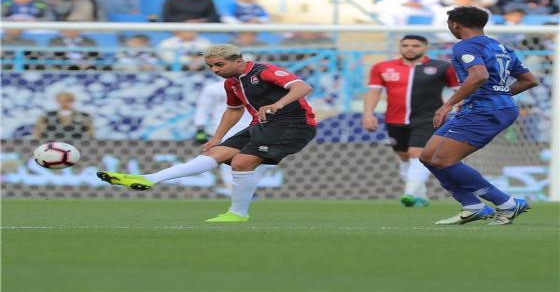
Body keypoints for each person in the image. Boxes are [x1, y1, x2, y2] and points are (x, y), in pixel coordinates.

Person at [97, 44, 316, 222]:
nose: (215, 70)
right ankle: (149, 179)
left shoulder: (264, 70)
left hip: (293, 124)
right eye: (210, 66)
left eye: (219, 64)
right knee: (213, 155)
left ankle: (238, 214)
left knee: (242, 162)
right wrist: (217, 137)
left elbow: (302, 87)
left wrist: (278, 104)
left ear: (238, 60)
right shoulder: (231, 83)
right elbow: (233, 110)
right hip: (262, 125)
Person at [419, 6, 539, 225]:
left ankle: (508, 204)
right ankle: (472, 206)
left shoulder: (465, 45)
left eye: (449, 25)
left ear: (455, 25)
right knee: (428, 157)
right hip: (488, 106)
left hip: (486, 109)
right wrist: (499, 94)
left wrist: (448, 105)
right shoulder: (500, 46)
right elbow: (530, 80)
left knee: (443, 160)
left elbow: (478, 75)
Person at [363, 35, 459, 207]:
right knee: (404, 156)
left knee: (418, 154)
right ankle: (420, 196)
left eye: (415, 45)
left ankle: (409, 192)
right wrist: (368, 113)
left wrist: (459, 105)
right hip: (394, 119)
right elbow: (373, 92)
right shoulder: (382, 67)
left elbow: (458, 90)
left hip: (429, 118)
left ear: (425, 47)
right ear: (399, 47)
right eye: (405, 45)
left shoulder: (443, 67)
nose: (410, 48)